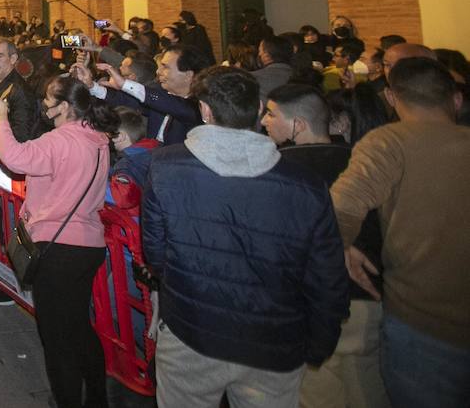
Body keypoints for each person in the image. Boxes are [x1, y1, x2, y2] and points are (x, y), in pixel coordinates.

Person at [143, 66, 347, 408]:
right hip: (274, 342)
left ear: (205, 111)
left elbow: (156, 253)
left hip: (192, 333)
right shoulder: (305, 184)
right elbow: (327, 274)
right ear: (256, 110)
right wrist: (320, 341)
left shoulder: (166, 167)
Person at [329, 58, 470, 407]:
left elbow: (339, 211)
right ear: (455, 100)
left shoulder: (388, 143)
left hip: (422, 324)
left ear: (391, 98)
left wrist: (344, 245)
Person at [260, 84, 389, 408]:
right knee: (369, 388)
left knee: (317, 395)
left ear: (298, 125)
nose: (263, 121)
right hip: (371, 301)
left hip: (310, 305)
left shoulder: (276, 170)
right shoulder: (362, 161)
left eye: (272, 114)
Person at [0, 74, 116, 408]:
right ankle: (97, 398)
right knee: (78, 326)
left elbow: (15, 157)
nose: (44, 106)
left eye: (49, 101)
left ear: (64, 107)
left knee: (57, 339)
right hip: (88, 246)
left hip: (58, 248)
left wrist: (1, 118)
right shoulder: (98, 139)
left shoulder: (60, 140)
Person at [90, 46, 204, 145]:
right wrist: (92, 87)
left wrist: (124, 84)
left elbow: (166, 103)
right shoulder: (159, 92)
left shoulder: (199, 107)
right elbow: (128, 102)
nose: (158, 71)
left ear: (188, 75)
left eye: (165, 67)